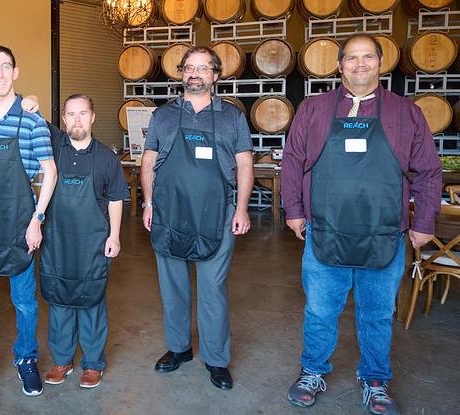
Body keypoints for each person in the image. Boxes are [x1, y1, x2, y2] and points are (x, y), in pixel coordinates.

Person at [281, 34, 442, 415]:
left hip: (384, 233)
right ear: (339, 66)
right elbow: (292, 161)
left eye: (367, 57)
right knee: (320, 311)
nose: (359, 64)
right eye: (351, 58)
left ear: (380, 63)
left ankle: (375, 380)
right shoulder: (314, 109)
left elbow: (428, 171)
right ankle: (313, 371)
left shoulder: (406, 112)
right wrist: (294, 210)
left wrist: (425, 221)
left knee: (377, 314)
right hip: (325, 231)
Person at [140, 46, 254, 390]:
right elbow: (148, 161)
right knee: (172, 286)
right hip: (169, 212)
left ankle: (216, 360)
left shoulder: (232, 116)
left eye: (203, 68)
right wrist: (148, 203)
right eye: (189, 67)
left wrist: (241, 208)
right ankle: (179, 348)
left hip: (217, 213)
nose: (195, 74)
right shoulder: (163, 115)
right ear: (181, 73)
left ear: (215, 75)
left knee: (212, 289)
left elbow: (245, 164)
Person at [0, 45, 57, 399]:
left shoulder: (32, 120)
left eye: (6, 66)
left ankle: (26, 358)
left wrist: (37, 219)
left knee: (24, 300)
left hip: (20, 222)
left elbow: (50, 172)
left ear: (16, 72)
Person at [39, 94, 128, 389]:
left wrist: (114, 235)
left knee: (92, 301)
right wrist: (29, 101)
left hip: (93, 243)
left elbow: (115, 198)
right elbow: (31, 113)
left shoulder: (107, 158)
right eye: (71, 114)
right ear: (64, 119)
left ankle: (92, 363)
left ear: (92, 117)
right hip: (57, 241)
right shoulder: (54, 147)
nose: (77, 120)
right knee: (59, 299)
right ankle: (62, 360)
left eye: (82, 114)